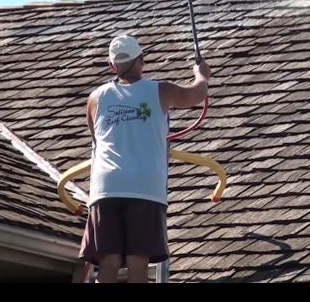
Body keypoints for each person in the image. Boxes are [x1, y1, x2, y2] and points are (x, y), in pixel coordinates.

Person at [79, 34, 211, 283]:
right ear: (142, 60)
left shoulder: (95, 98)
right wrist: (202, 74)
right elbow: (197, 94)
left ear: (112, 67)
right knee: (137, 262)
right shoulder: (160, 90)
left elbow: (96, 140)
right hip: (144, 186)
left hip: (106, 187)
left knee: (108, 262)